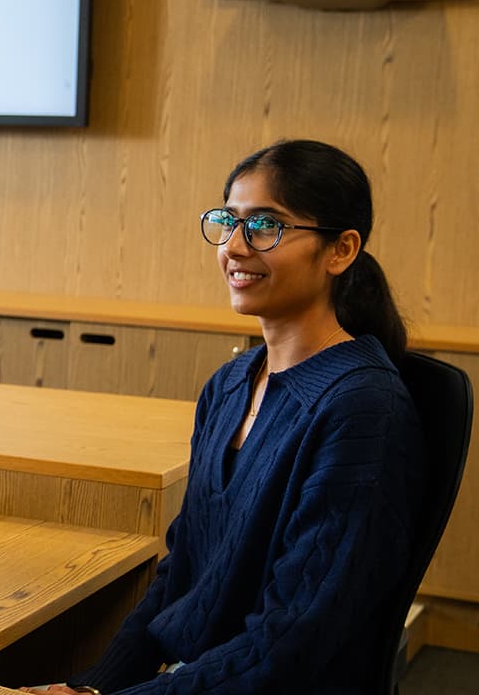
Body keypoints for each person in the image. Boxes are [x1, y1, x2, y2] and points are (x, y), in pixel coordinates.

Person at [25, 140, 424, 695]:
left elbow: (291, 640)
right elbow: (183, 572)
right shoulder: (230, 386)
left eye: (266, 226)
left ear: (340, 250)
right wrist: (90, 686)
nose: (235, 247)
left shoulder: (361, 408)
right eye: (228, 223)